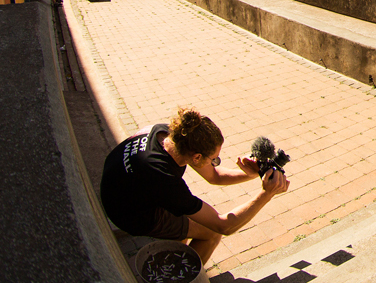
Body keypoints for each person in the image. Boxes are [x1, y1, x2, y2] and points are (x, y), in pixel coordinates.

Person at [100, 107, 289, 265]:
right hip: (127, 213)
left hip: (121, 187)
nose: (215, 162)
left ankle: (176, 247)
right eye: (213, 159)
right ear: (197, 157)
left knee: (184, 222)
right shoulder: (165, 180)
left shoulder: (170, 134)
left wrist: (253, 173)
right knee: (211, 234)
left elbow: (214, 176)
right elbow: (224, 225)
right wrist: (266, 194)